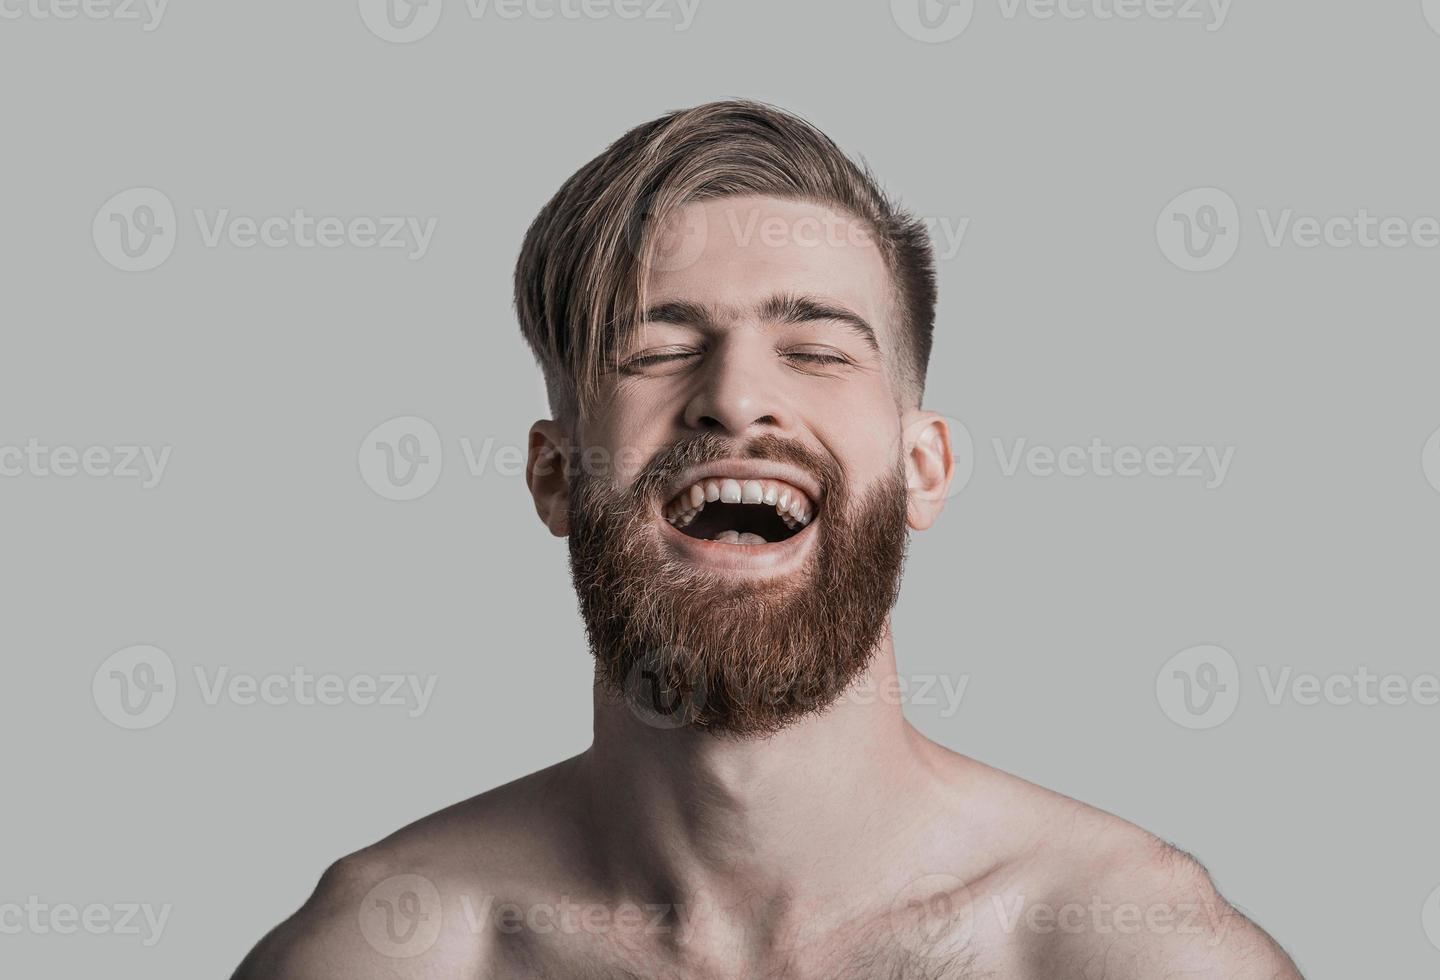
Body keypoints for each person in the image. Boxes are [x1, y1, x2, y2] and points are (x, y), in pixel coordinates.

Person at [232, 99, 1301, 979]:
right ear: (554, 476)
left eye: (816, 350)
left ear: (922, 465)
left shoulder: (1127, 949)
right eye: (656, 351)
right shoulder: (388, 951)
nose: (736, 399)